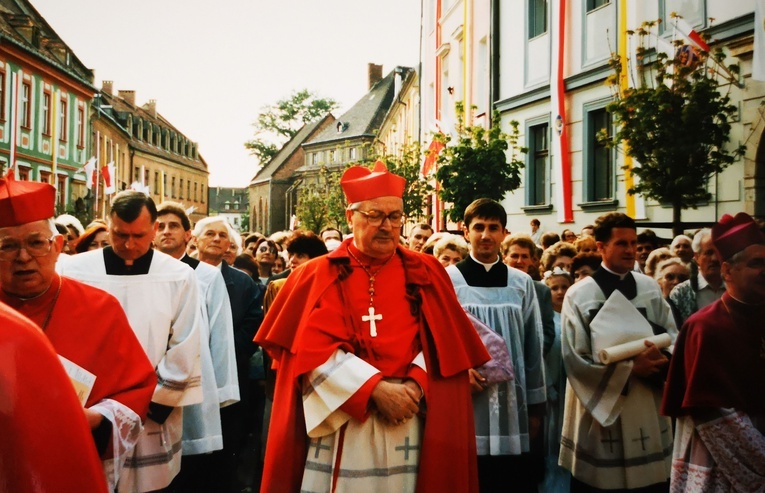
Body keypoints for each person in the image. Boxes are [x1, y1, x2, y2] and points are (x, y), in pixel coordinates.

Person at [255, 161, 489, 492]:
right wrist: (374, 389)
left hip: (411, 414)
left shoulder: (428, 270)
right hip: (342, 421)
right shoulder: (314, 275)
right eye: (375, 215)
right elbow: (306, 351)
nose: (387, 226)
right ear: (351, 217)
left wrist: (415, 387)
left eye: (395, 217)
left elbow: (442, 344)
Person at [0, 177, 156, 490]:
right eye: (6, 246)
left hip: (70, 462)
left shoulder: (100, 308)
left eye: (35, 242)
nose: (23, 257)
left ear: (58, 247)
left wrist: (95, 419)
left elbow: (136, 391)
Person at [60, 190, 203, 493]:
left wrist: (153, 400)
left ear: (154, 229)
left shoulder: (179, 275)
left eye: (138, 235)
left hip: (152, 408)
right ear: (107, 225)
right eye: (119, 234)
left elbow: (186, 343)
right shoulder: (72, 270)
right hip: (89, 405)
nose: (128, 244)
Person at [559, 212, 677, 492]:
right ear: (600, 247)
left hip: (646, 402)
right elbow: (575, 359)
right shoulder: (579, 295)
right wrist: (630, 370)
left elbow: (672, 335)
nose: (630, 250)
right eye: (621, 243)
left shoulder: (649, 287)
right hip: (602, 409)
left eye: (633, 243)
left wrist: (662, 361)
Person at [447, 199, 545, 493]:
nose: (486, 235)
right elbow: (438, 339)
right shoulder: (449, 280)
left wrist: (536, 405)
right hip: (467, 396)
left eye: (493, 228)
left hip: (512, 403)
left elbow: (532, 345)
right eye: (478, 227)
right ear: (466, 232)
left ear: (504, 233)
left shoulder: (521, 283)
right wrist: (458, 372)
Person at [662, 212, 765, 491]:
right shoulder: (704, 327)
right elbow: (712, 412)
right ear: (728, 271)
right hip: (719, 459)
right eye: (757, 263)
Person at [154, 202, 239, 493]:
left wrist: (220, 392)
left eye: (173, 225)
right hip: (152, 382)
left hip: (196, 381)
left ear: (188, 234)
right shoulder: (142, 272)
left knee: (191, 464)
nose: (166, 231)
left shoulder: (206, 274)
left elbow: (220, 333)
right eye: (160, 226)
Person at [0, 299, 109, 493]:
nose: (23, 265)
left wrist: (97, 417)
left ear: (57, 265)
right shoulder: (13, 326)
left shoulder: (101, 305)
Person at [192, 216, 265, 492]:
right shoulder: (182, 272)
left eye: (223, 236)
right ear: (195, 239)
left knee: (225, 454)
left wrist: (221, 351)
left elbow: (252, 324)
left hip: (230, 374)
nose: (217, 239)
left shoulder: (243, 283)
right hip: (190, 373)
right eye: (209, 233)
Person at [539, 267, 573, 493]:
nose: (560, 292)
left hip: (571, 387)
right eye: (554, 288)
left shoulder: (573, 317)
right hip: (550, 387)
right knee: (549, 438)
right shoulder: (544, 319)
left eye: (565, 287)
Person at [501, 233, 556, 357]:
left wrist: (532, 357)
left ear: (531, 260)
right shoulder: (497, 288)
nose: (520, 261)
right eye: (514, 256)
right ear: (504, 258)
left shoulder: (542, 291)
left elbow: (547, 332)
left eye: (524, 256)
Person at [668, 228, 726, 325]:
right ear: (697, 257)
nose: (715, 258)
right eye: (708, 253)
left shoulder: (737, 290)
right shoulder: (680, 293)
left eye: (719, 252)